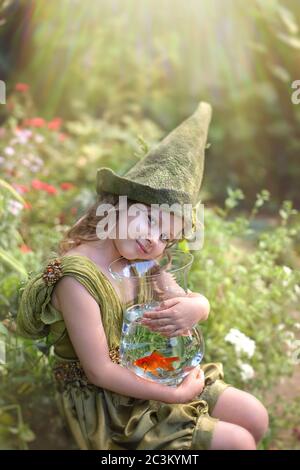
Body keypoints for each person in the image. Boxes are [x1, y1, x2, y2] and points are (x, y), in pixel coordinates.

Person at [17, 101, 268, 450]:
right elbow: (100, 371)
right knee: (238, 442)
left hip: (153, 367)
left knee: (255, 416)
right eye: (149, 220)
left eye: (166, 236)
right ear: (117, 204)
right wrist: (174, 393)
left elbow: (183, 296)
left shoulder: (144, 262)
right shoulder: (76, 278)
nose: (154, 239)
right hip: (108, 402)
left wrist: (199, 306)